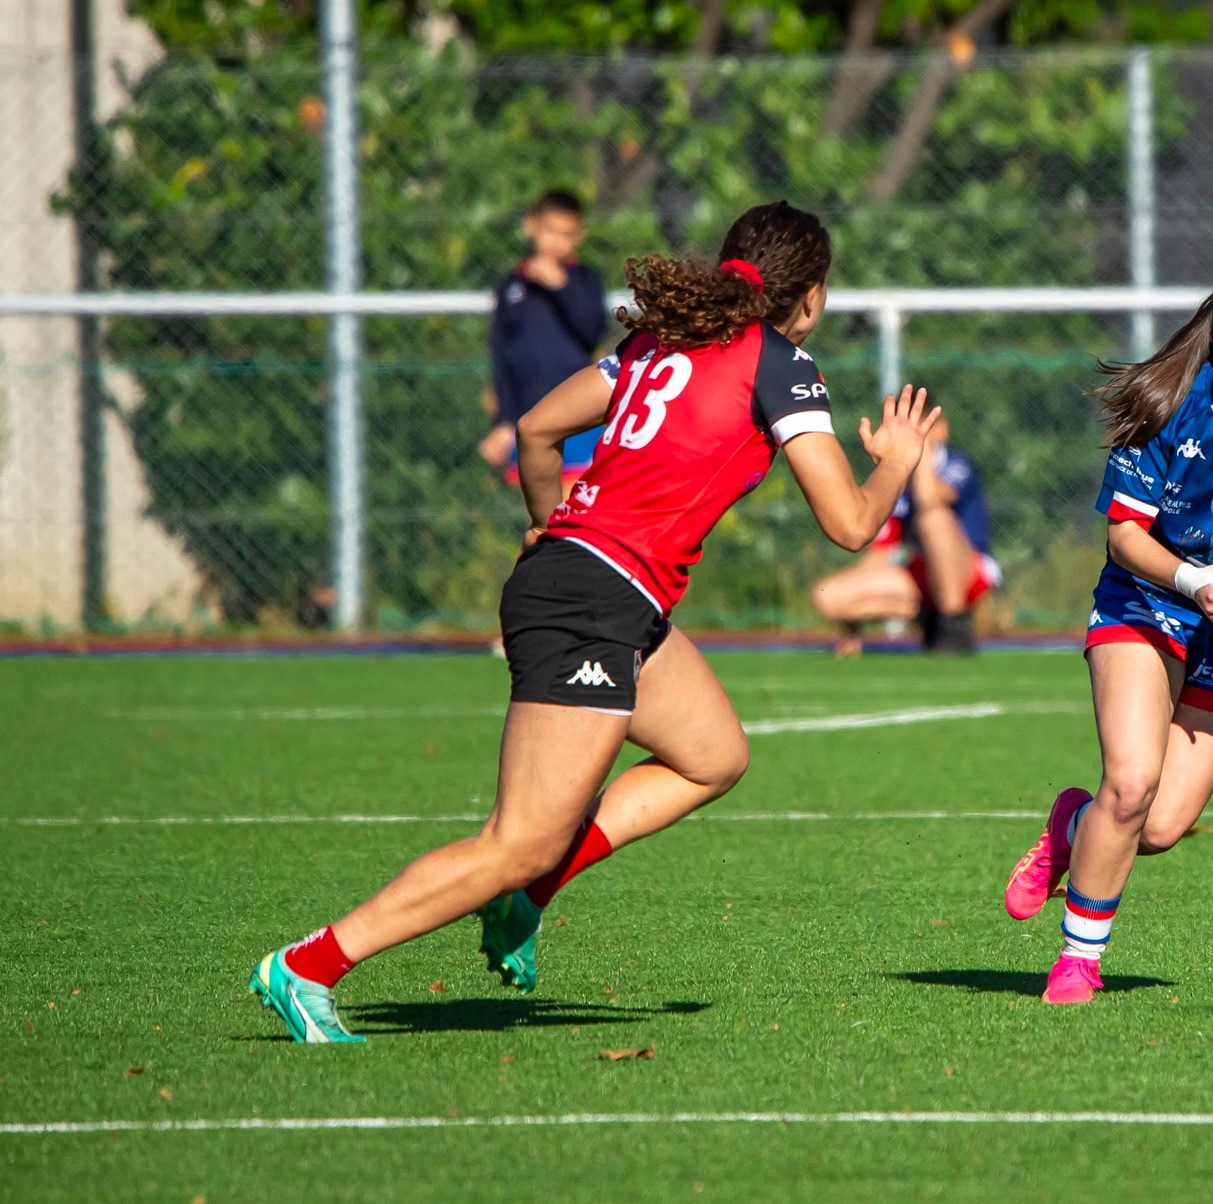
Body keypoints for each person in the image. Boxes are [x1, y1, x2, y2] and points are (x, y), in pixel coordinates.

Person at [249, 201, 942, 1042]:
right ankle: (309, 965)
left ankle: (527, 899)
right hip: (595, 599)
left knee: (713, 756)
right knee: (516, 841)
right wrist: (898, 463)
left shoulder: (659, 340)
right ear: (813, 297)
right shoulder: (781, 365)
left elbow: (538, 430)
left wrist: (547, 528)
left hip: (596, 588)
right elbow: (848, 525)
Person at [999, 266, 1213, 1004]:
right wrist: (1197, 583)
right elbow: (1125, 537)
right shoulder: (1170, 408)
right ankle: (1078, 959)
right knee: (1131, 785)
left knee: (1157, 827)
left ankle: (1072, 827)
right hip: (1147, 601)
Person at [810, 415, 999, 655]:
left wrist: (917, 455)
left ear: (941, 429)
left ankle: (952, 627)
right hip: (921, 578)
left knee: (932, 518)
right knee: (827, 596)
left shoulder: (956, 465)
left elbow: (929, 498)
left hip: (968, 571)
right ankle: (927, 616)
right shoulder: (900, 484)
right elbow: (877, 557)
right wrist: (852, 627)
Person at [479, 189, 609, 491]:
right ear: (531, 226)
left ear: (579, 236)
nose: (555, 241)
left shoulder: (584, 280)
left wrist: (562, 286)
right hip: (531, 419)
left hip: (579, 419)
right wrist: (505, 421)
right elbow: (501, 358)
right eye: (549, 231)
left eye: (566, 234)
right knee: (540, 524)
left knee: (572, 516)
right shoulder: (511, 287)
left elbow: (593, 329)